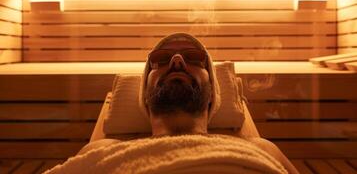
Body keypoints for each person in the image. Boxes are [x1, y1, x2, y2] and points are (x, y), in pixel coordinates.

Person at [79, 33, 299, 174]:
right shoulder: (101, 152)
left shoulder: (262, 149)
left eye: (194, 57)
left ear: (213, 92)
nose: (177, 61)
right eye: (161, 59)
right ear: (145, 93)